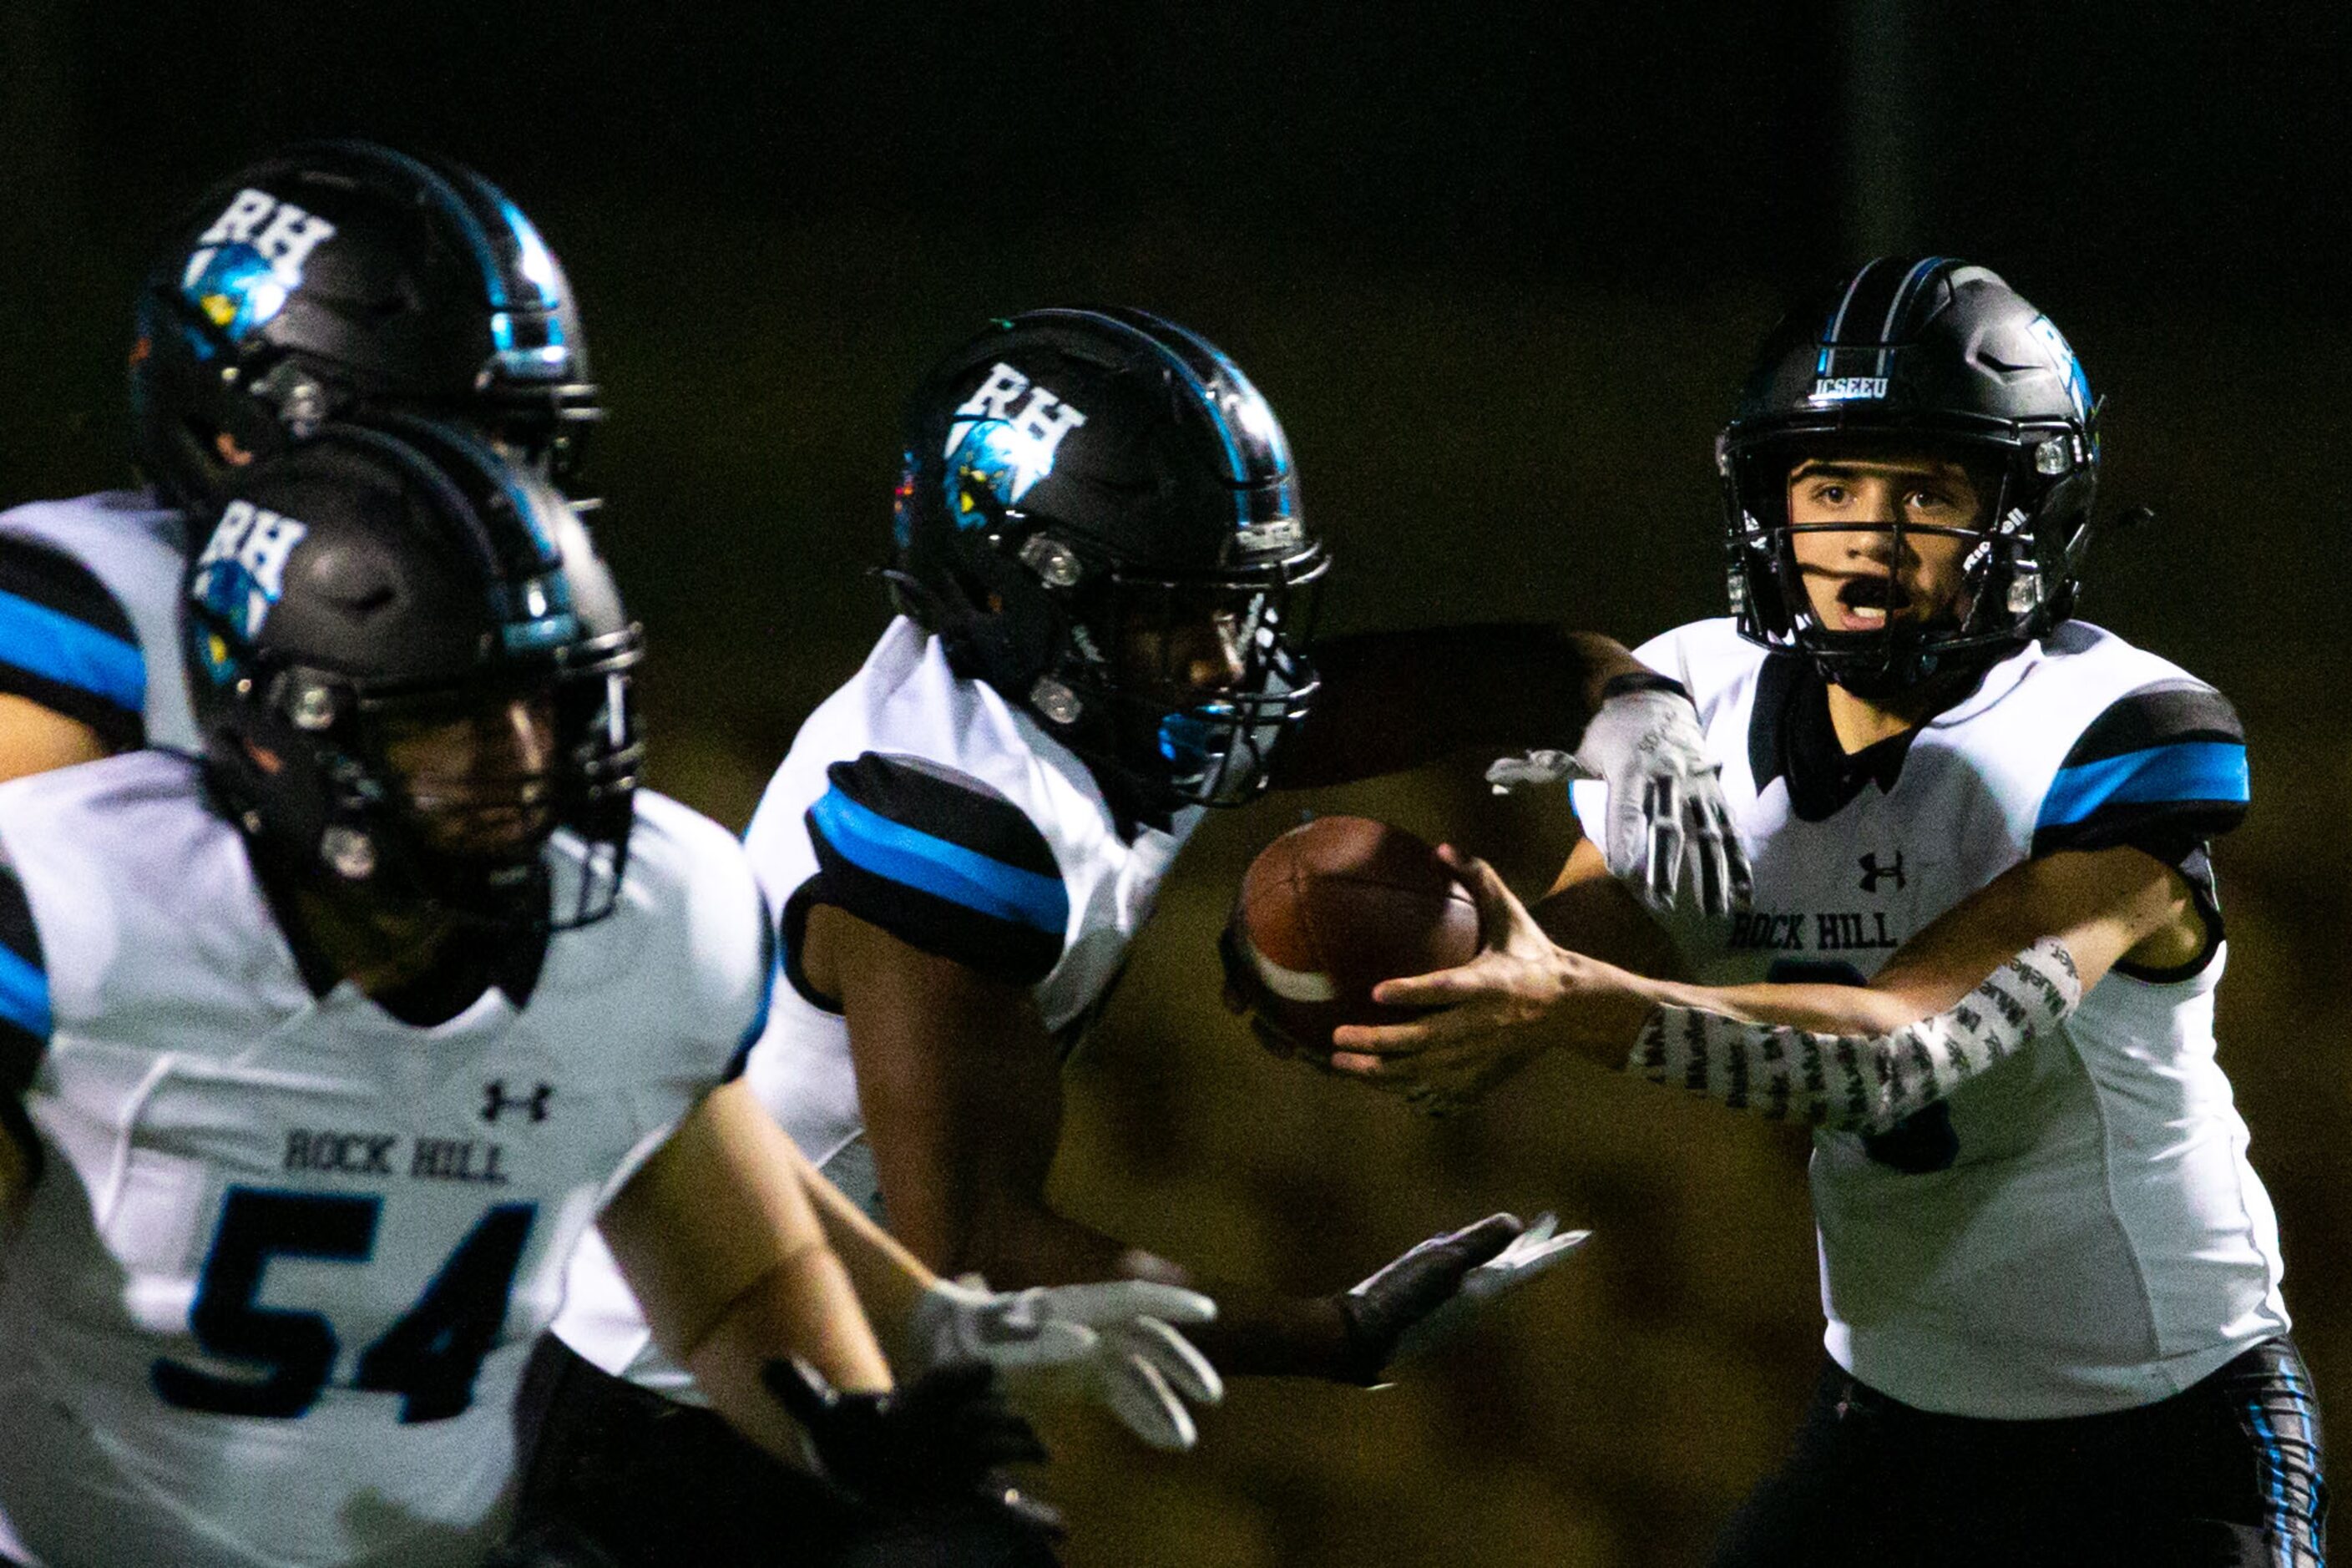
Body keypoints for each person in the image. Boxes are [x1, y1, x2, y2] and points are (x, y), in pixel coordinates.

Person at [534, 306, 1752, 1541]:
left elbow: (1481, 677)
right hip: (677, 1407)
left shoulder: (1095, 693)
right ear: (1025, 598)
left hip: (837, 1368)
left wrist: (1628, 705)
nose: (1229, 663)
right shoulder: (944, 828)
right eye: (1181, 614)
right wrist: (1335, 1330)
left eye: (1240, 607)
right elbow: (977, 1249)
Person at [0, 421, 1201, 1568]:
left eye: (551, 699)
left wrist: (871, 1411)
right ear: (281, 726)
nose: (522, 758)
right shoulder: (71, 912)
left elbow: (736, 1284)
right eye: (450, 716)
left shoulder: (640, 922)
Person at [1313, 257, 2325, 1565]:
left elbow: (1907, 1046)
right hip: (1893, 1422)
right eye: (1829, 485)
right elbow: (1563, 956)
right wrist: (1400, 982)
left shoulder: (2124, 729)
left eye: (1926, 490)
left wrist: (1572, 1005)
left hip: (2158, 1433)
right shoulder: (1695, 698)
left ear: (2027, 510)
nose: (1867, 536)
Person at [0, 138, 602, 781]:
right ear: (227, 433)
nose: (477, 479)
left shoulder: (519, 623)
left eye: (510, 438)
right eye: (425, 438)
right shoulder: (86, 607)